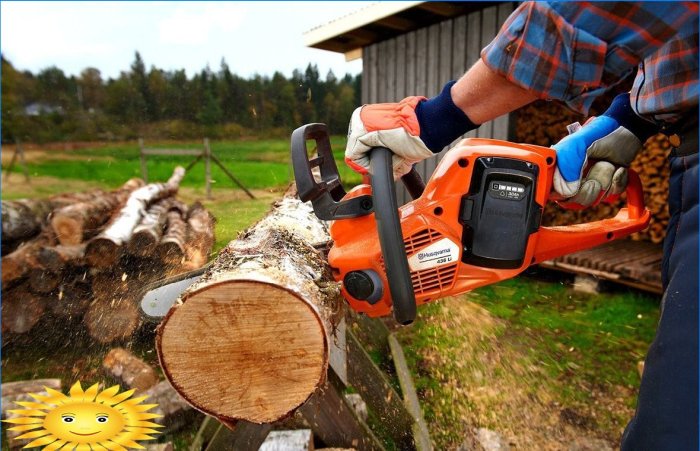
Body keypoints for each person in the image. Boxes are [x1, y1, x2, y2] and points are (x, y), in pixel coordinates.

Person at [345, 2, 698, 450]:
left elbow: (598, 11)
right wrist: (622, 121)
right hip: (684, 157)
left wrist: (434, 120)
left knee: (674, 431)